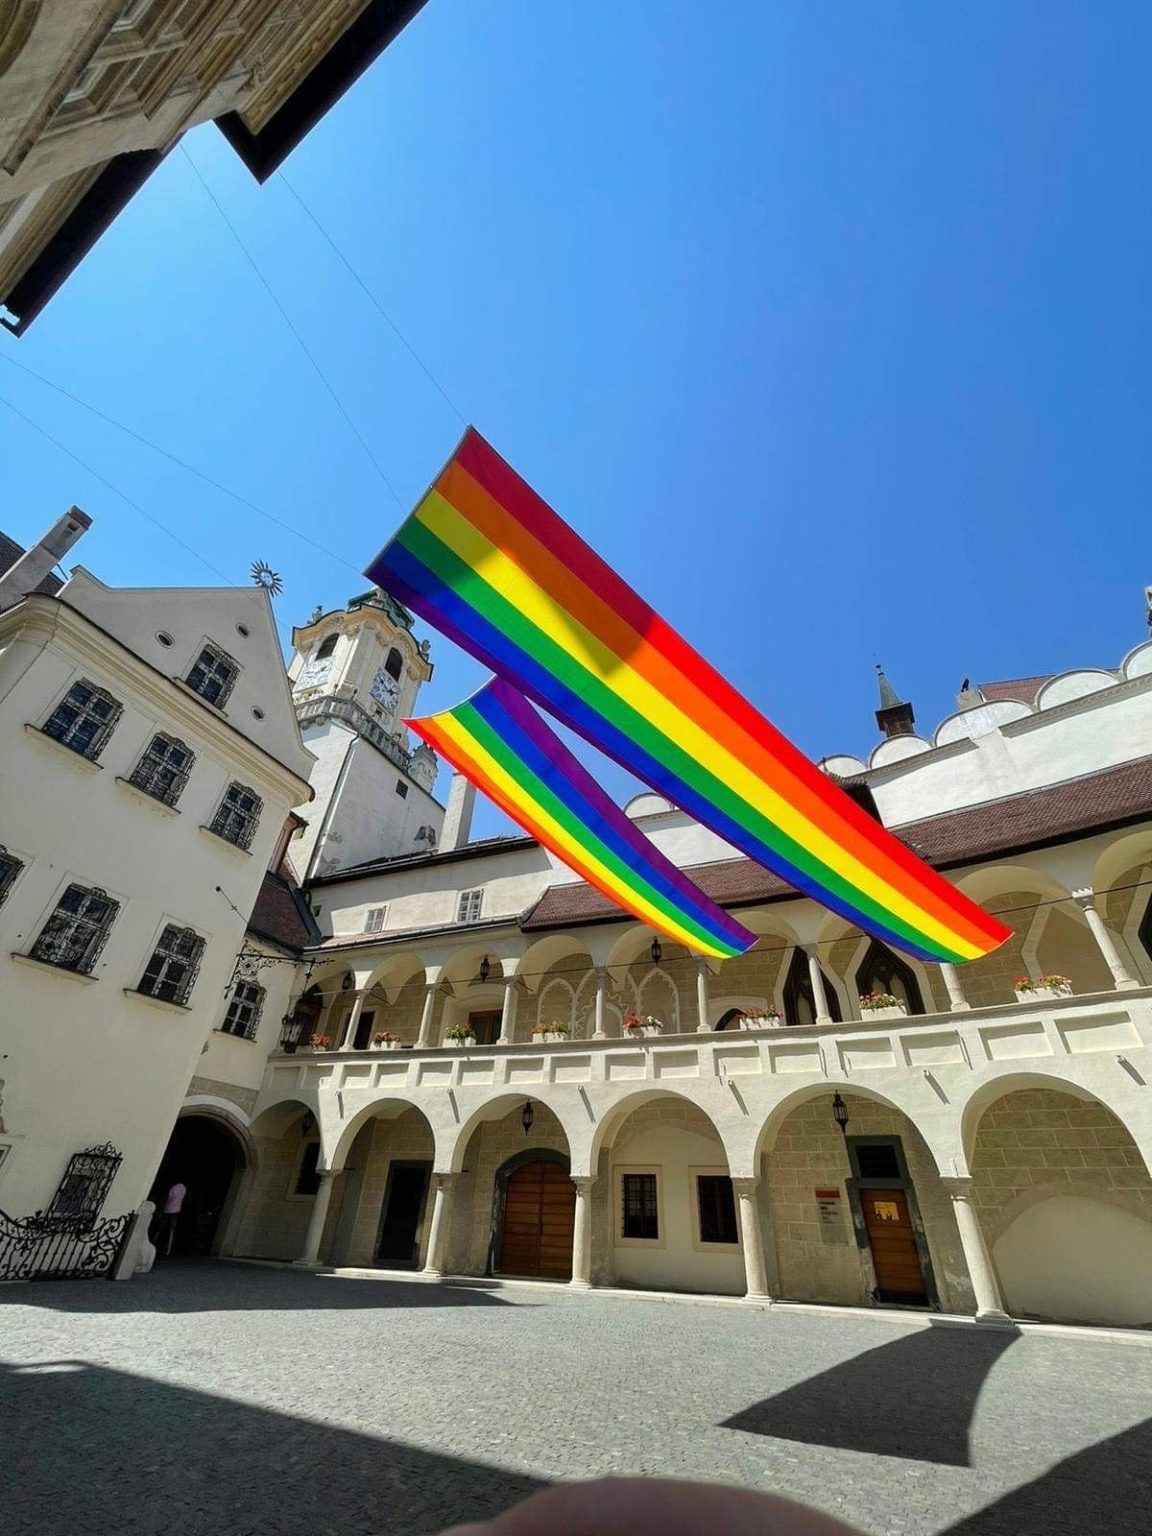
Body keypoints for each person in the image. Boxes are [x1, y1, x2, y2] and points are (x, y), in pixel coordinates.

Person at [156, 1180, 186, 1257]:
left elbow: (169, 1199)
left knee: (160, 1227)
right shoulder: (183, 1188)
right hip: (177, 1210)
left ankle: (154, 1242)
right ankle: (168, 1249)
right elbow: (182, 1199)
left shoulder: (172, 1188)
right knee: (172, 1230)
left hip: (168, 1210)